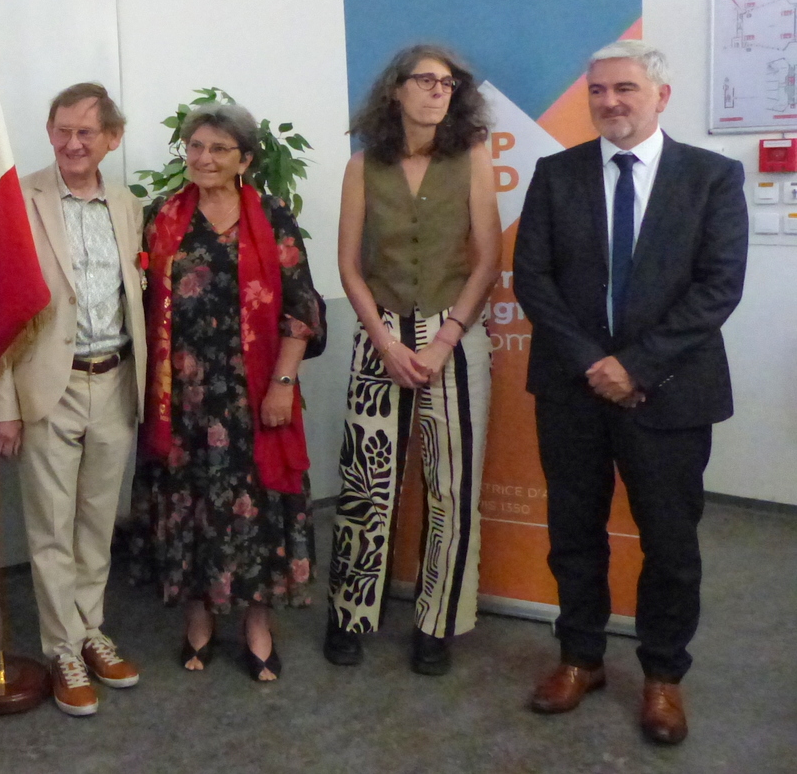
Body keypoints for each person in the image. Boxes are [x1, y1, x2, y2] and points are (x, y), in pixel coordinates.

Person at [514, 41, 747, 745]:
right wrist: (595, 363)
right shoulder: (555, 175)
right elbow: (534, 280)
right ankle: (581, 658)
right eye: (598, 91)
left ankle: (663, 675)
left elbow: (718, 287)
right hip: (572, 390)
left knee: (670, 543)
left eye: (625, 89)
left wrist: (636, 366)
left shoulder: (710, 176)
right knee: (573, 534)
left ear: (661, 96)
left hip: (671, 394)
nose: (610, 102)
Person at [128, 100, 326, 682]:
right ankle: (197, 617)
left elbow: (302, 308)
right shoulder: (160, 217)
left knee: (258, 505)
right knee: (188, 505)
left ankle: (257, 624)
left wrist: (284, 382)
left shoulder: (273, 215)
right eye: (195, 146)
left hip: (255, 394)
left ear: (245, 157)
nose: (204, 157)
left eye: (218, 148)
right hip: (181, 398)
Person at [323, 45, 500, 676]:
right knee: (368, 484)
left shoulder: (472, 158)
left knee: (453, 488)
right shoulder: (364, 165)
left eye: (447, 82)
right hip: (382, 335)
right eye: (424, 80)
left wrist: (447, 338)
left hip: (454, 333)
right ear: (395, 90)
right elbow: (348, 264)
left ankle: (438, 623)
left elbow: (487, 261)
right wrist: (386, 342)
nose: (436, 91)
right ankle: (348, 614)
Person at [0, 83, 147, 717]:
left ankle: (91, 629)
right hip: (46, 385)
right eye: (61, 130)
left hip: (114, 380)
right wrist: (2, 404)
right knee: (50, 526)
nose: (72, 144)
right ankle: (62, 648)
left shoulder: (128, 205)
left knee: (98, 522)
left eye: (86, 133)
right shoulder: (19, 200)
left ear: (112, 138)